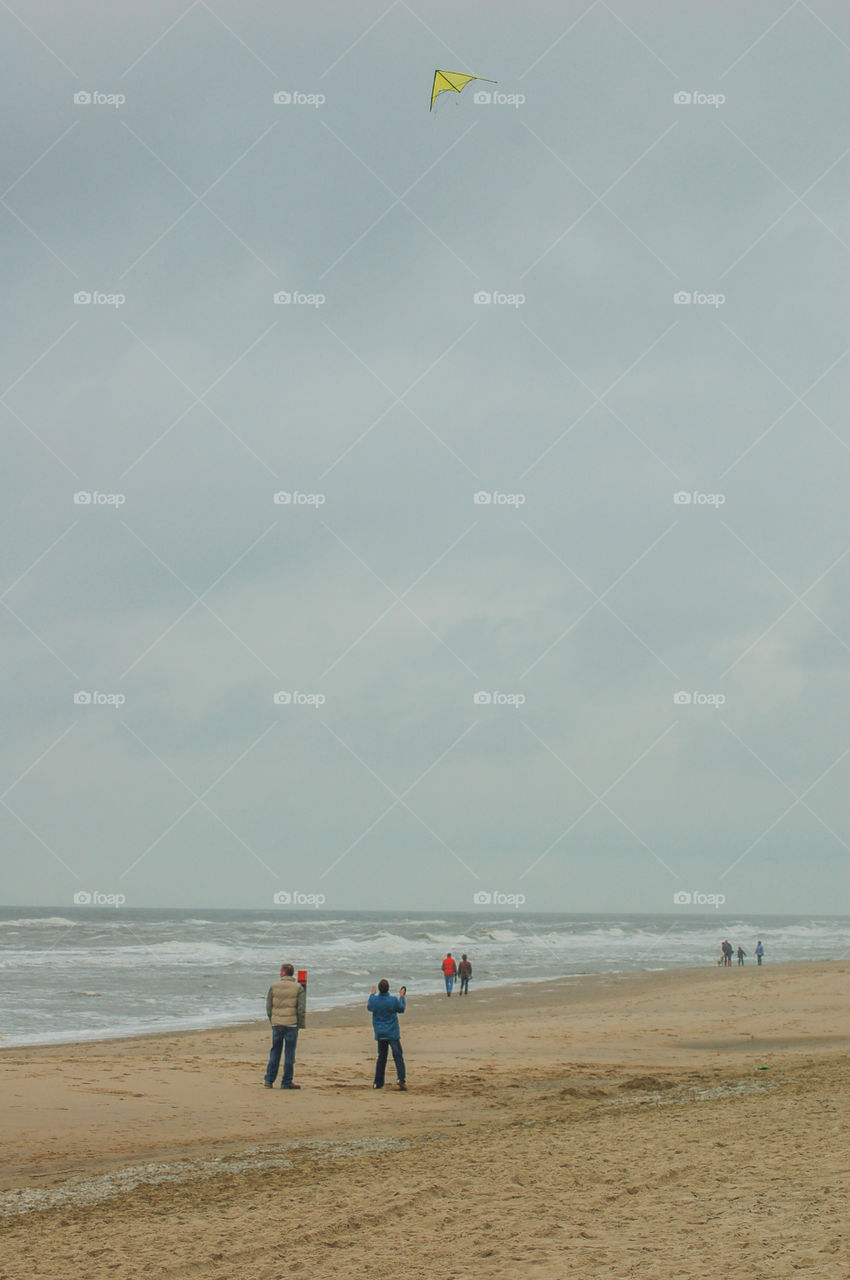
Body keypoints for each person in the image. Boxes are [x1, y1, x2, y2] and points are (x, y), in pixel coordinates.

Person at [264, 962, 306, 1089]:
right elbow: (301, 1008)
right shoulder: (298, 987)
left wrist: (272, 1019)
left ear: (283, 973)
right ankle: (286, 1081)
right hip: (291, 1023)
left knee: (275, 1051)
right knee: (289, 1053)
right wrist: (300, 1023)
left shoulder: (274, 986)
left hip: (277, 1023)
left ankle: (269, 1079)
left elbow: (269, 1005)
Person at [367, 979, 406, 1090]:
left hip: (381, 1032)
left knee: (382, 1057)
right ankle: (401, 1078)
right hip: (391, 1032)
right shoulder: (392, 1000)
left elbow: (369, 1006)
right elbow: (401, 1009)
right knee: (397, 1055)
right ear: (388, 988)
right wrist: (402, 996)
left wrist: (372, 994)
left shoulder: (374, 1000)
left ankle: (378, 1082)